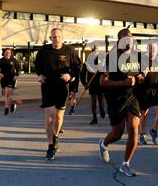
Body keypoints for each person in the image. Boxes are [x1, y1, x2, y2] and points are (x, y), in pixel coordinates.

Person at [98, 28, 145, 177]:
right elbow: (103, 82)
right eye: (125, 38)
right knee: (117, 134)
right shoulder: (111, 58)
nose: (129, 41)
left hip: (132, 98)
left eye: (131, 38)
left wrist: (140, 77)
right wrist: (124, 83)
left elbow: (140, 75)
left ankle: (126, 164)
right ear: (119, 41)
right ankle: (104, 144)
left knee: (133, 127)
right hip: (115, 100)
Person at [34, 28, 82, 161]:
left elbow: (78, 66)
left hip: (62, 88)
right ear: (50, 38)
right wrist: (40, 74)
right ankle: (50, 146)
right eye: (54, 37)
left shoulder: (69, 51)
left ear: (62, 37)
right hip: (48, 86)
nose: (57, 39)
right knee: (50, 116)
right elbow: (37, 64)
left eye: (59, 36)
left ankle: (56, 137)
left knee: (59, 117)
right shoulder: (44, 50)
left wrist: (70, 75)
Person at [137, 40, 158, 145]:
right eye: (150, 47)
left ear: (157, 49)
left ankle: (154, 130)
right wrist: (142, 75)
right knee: (144, 114)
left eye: (154, 48)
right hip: (144, 90)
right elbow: (137, 78)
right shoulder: (141, 60)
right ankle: (142, 134)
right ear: (147, 48)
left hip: (157, 90)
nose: (152, 50)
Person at [80, 44, 106, 125]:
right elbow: (83, 73)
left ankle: (101, 107)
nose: (95, 49)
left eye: (96, 48)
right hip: (91, 82)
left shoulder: (102, 58)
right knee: (93, 101)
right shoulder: (88, 59)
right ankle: (94, 118)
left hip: (100, 82)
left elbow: (107, 70)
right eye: (93, 48)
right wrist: (85, 83)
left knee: (100, 99)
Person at [0, 48, 20, 115]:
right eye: (6, 52)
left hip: (11, 79)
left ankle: (6, 108)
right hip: (3, 79)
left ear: (11, 54)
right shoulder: (0, 61)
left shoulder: (14, 61)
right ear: (4, 53)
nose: (7, 54)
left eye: (9, 53)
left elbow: (18, 68)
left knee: (7, 93)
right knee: (5, 94)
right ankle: (12, 104)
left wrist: (16, 75)